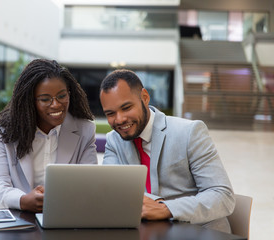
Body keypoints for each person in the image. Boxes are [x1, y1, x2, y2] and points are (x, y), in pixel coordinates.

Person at [99, 69, 235, 233]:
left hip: (198, 232)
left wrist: (166, 208)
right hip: (149, 233)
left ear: (144, 97)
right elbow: (111, 196)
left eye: (126, 107)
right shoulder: (114, 140)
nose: (119, 119)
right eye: (110, 113)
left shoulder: (189, 132)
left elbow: (222, 196)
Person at [0, 59, 97, 213]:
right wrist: (23, 201)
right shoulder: (6, 130)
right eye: (45, 99)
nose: (56, 104)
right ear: (30, 101)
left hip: (64, 218)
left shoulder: (85, 130)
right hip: (18, 218)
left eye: (62, 96)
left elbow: (89, 185)